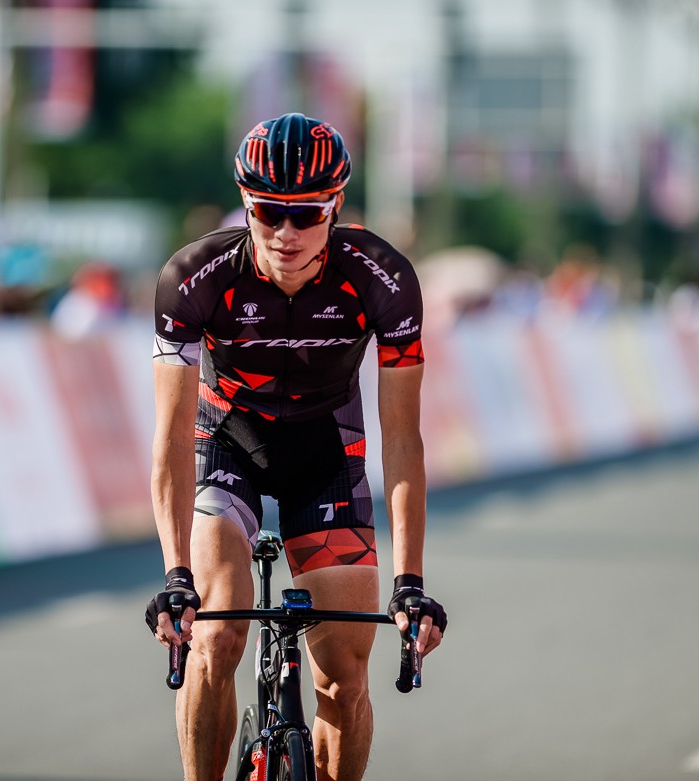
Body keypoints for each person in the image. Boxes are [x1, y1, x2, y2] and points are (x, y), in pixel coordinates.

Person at [144, 112, 447, 781]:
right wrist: (176, 575)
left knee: (344, 676)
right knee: (215, 636)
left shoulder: (384, 279)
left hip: (325, 455)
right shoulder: (193, 277)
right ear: (245, 202)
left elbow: (403, 438)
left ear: (335, 205)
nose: (286, 232)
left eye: (306, 214)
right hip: (228, 446)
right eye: (267, 211)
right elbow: (170, 436)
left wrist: (411, 583)